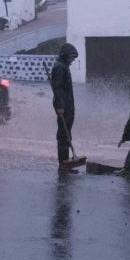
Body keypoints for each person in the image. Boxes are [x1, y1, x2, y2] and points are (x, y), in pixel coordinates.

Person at [51, 43, 78, 172]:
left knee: (66, 134)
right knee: (63, 135)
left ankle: (65, 163)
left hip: (68, 105)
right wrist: (60, 106)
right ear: (66, 55)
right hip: (63, 106)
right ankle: (63, 164)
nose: (73, 60)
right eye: (72, 57)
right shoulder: (59, 68)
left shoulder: (64, 67)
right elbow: (58, 89)